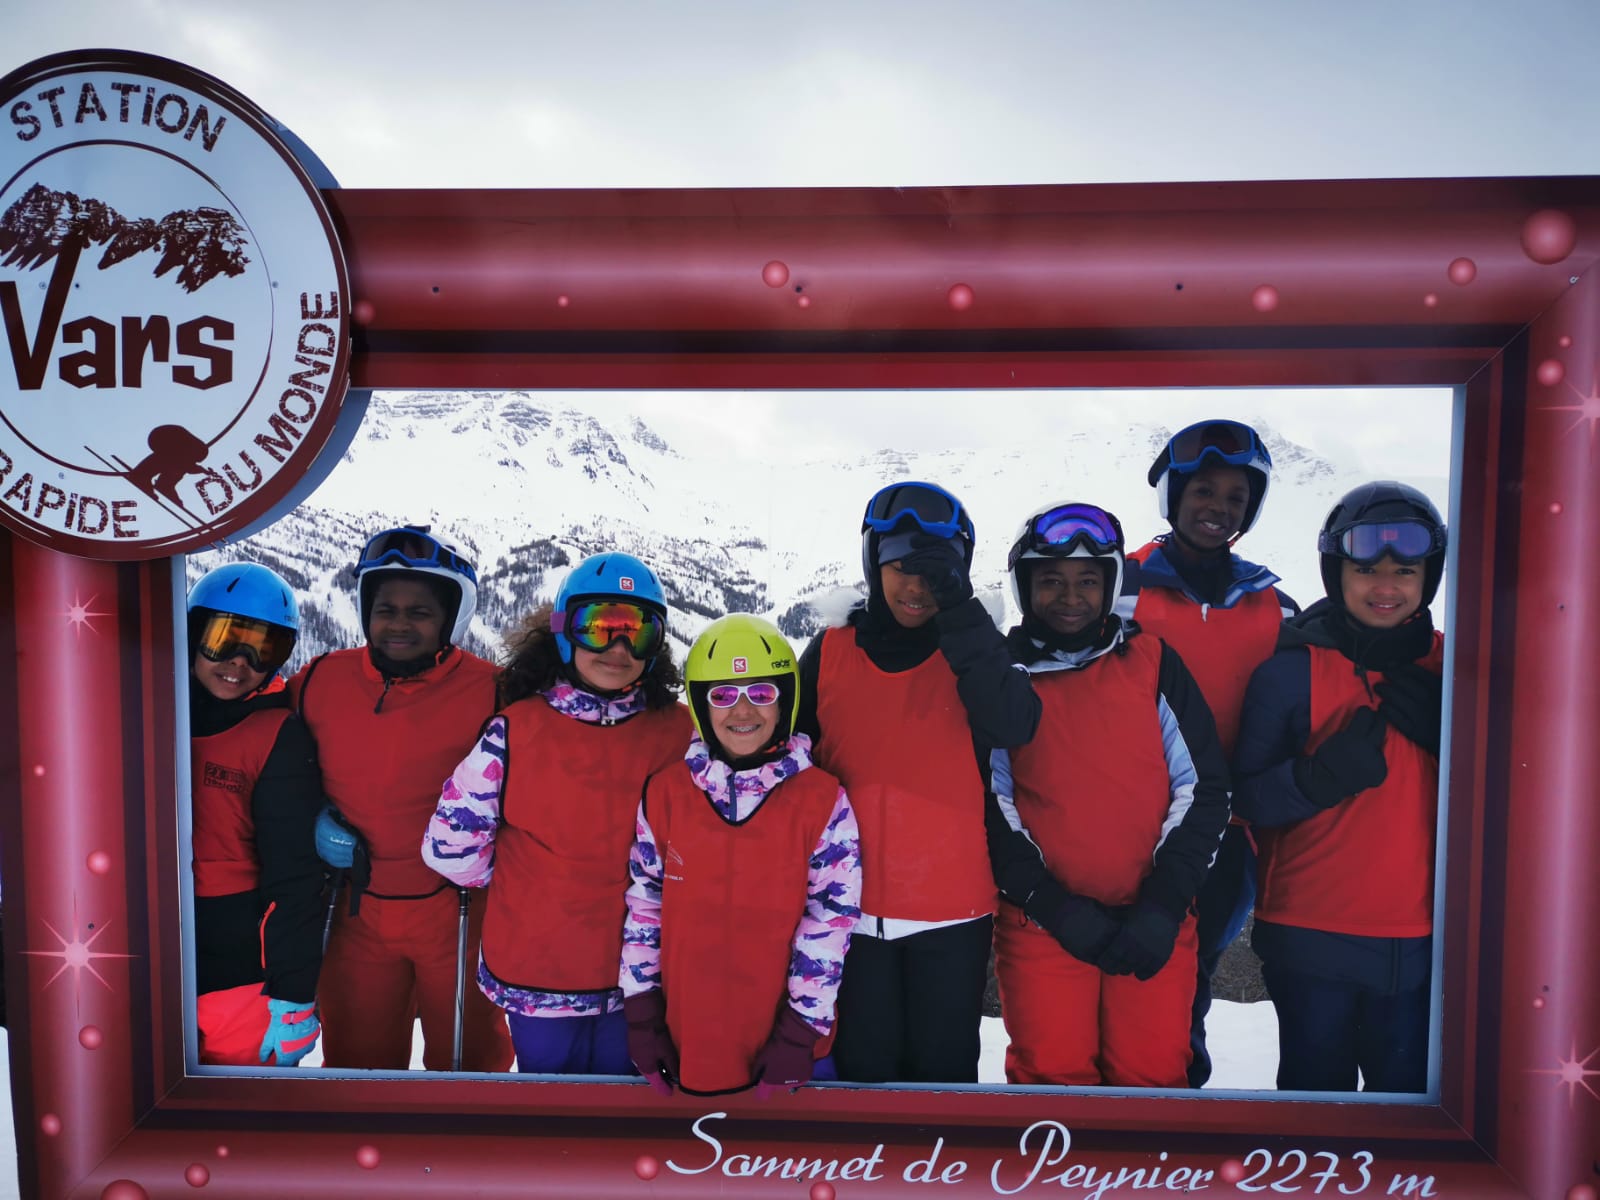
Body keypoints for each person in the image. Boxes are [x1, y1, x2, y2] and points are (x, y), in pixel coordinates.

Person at [793, 480, 1040, 1083]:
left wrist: (962, 615)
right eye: (902, 567)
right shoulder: (831, 651)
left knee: (943, 1085)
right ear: (873, 564)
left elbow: (1015, 722)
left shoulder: (976, 656)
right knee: (864, 1081)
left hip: (952, 916)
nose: (917, 586)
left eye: (938, 572)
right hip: (848, 916)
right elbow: (786, 765)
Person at [986, 502, 1231, 1086]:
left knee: (1152, 1078)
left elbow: (1203, 786)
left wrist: (1165, 902)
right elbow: (988, 804)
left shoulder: (1151, 663)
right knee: (1052, 1080)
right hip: (1044, 925)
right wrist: (1050, 903)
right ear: (1025, 587)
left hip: (1153, 919)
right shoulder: (1004, 676)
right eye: (1051, 580)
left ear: (1111, 585)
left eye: (1088, 581)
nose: (1070, 596)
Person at [423, 552, 691, 1075]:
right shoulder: (519, 730)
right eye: (599, 628)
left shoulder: (677, 734)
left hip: (629, 978)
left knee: (576, 1106)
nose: (618, 648)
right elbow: (449, 846)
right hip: (556, 977)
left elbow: (453, 853)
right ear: (565, 632)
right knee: (591, 1104)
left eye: (638, 633)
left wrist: (530, 880)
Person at [1232, 482, 1447, 1093]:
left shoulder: (1456, 670)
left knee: (1405, 1111)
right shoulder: (1290, 672)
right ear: (1336, 573)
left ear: (1429, 577)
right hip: (1310, 937)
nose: (1386, 586)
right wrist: (1316, 779)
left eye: (1406, 570)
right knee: (1314, 1110)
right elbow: (1242, 801)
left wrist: (1459, 742)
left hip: (1424, 939)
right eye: (1365, 569)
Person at [290, 525, 513, 1072]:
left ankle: (469, 1134)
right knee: (358, 1066)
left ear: (449, 619)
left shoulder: (495, 691)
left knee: (470, 1065)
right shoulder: (321, 680)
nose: (399, 624)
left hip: (459, 913)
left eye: (420, 612)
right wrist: (309, 817)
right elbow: (269, 759)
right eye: (386, 609)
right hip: (356, 908)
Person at [1117, 419, 1298, 1087]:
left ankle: (1172, 1114)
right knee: (1115, 978)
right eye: (1203, 491)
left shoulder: (1272, 606)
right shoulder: (1117, 585)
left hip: (1225, 837)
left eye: (1235, 497)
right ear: (1173, 495)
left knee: (1187, 985)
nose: (1218, 507)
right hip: (1124, 827)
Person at [620, 614, 861, 1096]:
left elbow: (830, 921)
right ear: (701, 705)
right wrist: (643, 1014)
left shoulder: (821, 800)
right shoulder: (667, 794)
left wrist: (801, 1031)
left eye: (762, 693)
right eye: (723, 695)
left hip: (785, 1040)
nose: (743, 710)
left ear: (785, 701)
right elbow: (646, 905)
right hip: (688, 1035)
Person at [186, 562, 325, 1067]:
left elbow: (296, 873)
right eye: (223, 640)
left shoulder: (275, 735)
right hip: (139, 941)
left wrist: (292, 989)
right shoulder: (146, 709)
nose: (239, 662)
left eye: (263, 649)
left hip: (239, 959)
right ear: (192, 633)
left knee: (234, 1104)